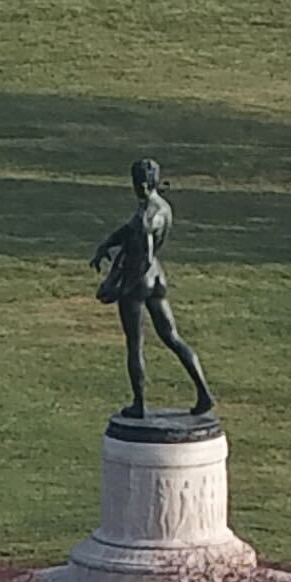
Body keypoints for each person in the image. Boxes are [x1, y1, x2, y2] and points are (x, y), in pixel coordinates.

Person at [89, 158, 214, 420]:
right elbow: (129, 230)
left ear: (142, 184)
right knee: (172, 337)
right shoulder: (162, 207)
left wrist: (122, 287)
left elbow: (143, 256)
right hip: (157, 277)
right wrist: (107, 244)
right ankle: (204, 393)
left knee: (135, 344)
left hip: (140, 278)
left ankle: (139, 404)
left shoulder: (147, 215)